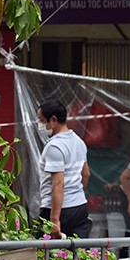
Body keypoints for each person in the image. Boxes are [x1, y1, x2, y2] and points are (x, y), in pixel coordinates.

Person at [37, 99, 91, 239]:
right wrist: (76, 195)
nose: (39, 124)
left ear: (53, 120)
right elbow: (86, 174)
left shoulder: (54, 146)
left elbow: (58, 185)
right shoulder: (79, 142)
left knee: (44, 255)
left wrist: (54, 221)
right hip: (80, 207)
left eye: (41, 120)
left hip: (58, 211)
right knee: (79, 255)